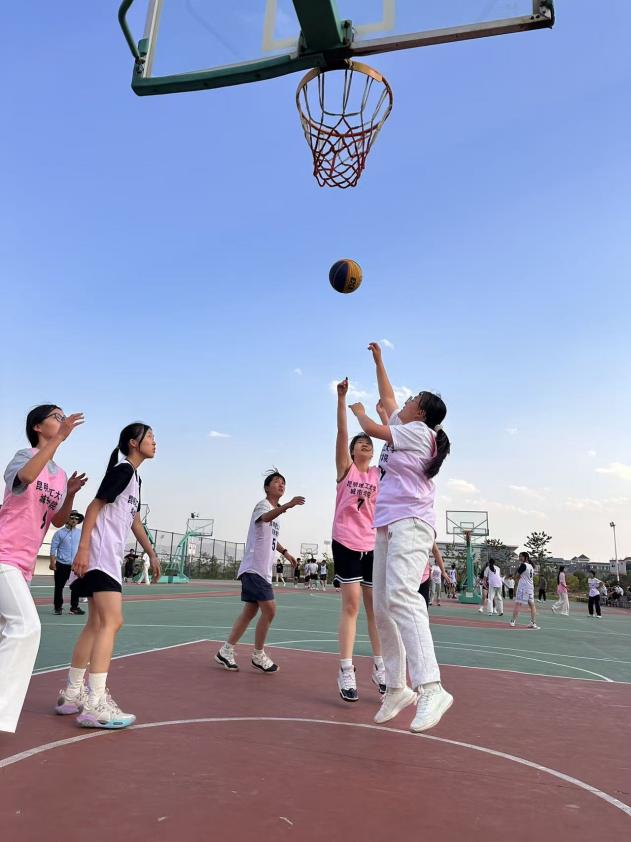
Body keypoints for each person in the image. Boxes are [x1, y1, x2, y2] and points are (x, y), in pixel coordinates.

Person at [348, 341, 453, 733]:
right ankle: (396, 686)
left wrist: (360, 413)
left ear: (421, 413)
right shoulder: (407, 424)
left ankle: (432, 687)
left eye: (412, 400)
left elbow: (373, 428)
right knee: (382, 607)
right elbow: (389, 396)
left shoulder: (419, 432)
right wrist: (379, 360)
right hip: (389, 524)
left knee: (403, 597)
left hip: (411, 522)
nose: (403, 402)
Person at [56, 422, 160, 729]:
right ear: (133, 442)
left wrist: (152, 553)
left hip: (105, 555)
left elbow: (134, 521)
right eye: (150, 437)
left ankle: (72, 694)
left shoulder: (134, 477)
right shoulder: (123, 470)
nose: (154, 442)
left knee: (95, 624)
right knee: (112, 622)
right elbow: (94, 506)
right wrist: (83, 548)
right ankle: (96, 704)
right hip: (100, 555)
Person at [0, 406, 86, 734]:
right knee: (26, 627)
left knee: (8, 633)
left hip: (22, 564)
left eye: (63, 417)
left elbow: (58, 520)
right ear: (38, 426)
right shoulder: (24, 456)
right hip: (4, 554)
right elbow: (25, 478)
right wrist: (60, 438)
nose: (62, 421)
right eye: (56, 416)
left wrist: (70, 495)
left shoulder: (60, 475)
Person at [215, 471, 303, 673]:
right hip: (254, 568)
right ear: (266, 488)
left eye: (283, 483)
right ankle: (258, 654)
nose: (281, 484)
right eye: (277, 482)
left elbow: (271, 538)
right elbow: (264, 518)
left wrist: (286, 553)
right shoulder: (263, 506)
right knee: (270, 610)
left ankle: (225, 651)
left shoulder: (275, 514)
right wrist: (287, 505)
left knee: (250, 612)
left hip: (262, 571)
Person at [332, 378, 384, 702]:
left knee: (375, 608)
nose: (365, 444)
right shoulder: (346, 470)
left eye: (369, 443)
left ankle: (380, 666)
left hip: (372, 544)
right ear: (352, 451)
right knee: (351, 604)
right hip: (346, 541)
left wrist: (381, 415)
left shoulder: (379, 474)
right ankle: (346, 669)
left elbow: (393, 442)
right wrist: (342, 401)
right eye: (360, 442)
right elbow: (341, 433)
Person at [50, 510, 85, 615]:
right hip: (61, 564)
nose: (74, 520)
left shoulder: (80, 533)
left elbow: (83, 548)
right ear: (67, 519)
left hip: (75, 565)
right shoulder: (59, 533)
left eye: (76, 519)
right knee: (59, 587)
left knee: (76, 586)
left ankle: (74, 607)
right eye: (72, 518)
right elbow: (53, 548)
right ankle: (58, 608)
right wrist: (52, 562)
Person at [509, 552, 539, 629]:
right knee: (532, 605)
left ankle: (513, 621)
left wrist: (515, 574)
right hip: (530, 588)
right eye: (519, 556)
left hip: (523, 588)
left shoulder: (523, 565)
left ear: (526, 557)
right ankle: (533, 622)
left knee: (518, 604)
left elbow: (517, 576)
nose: (520, 558)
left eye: (521, 556)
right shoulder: (531, 566)